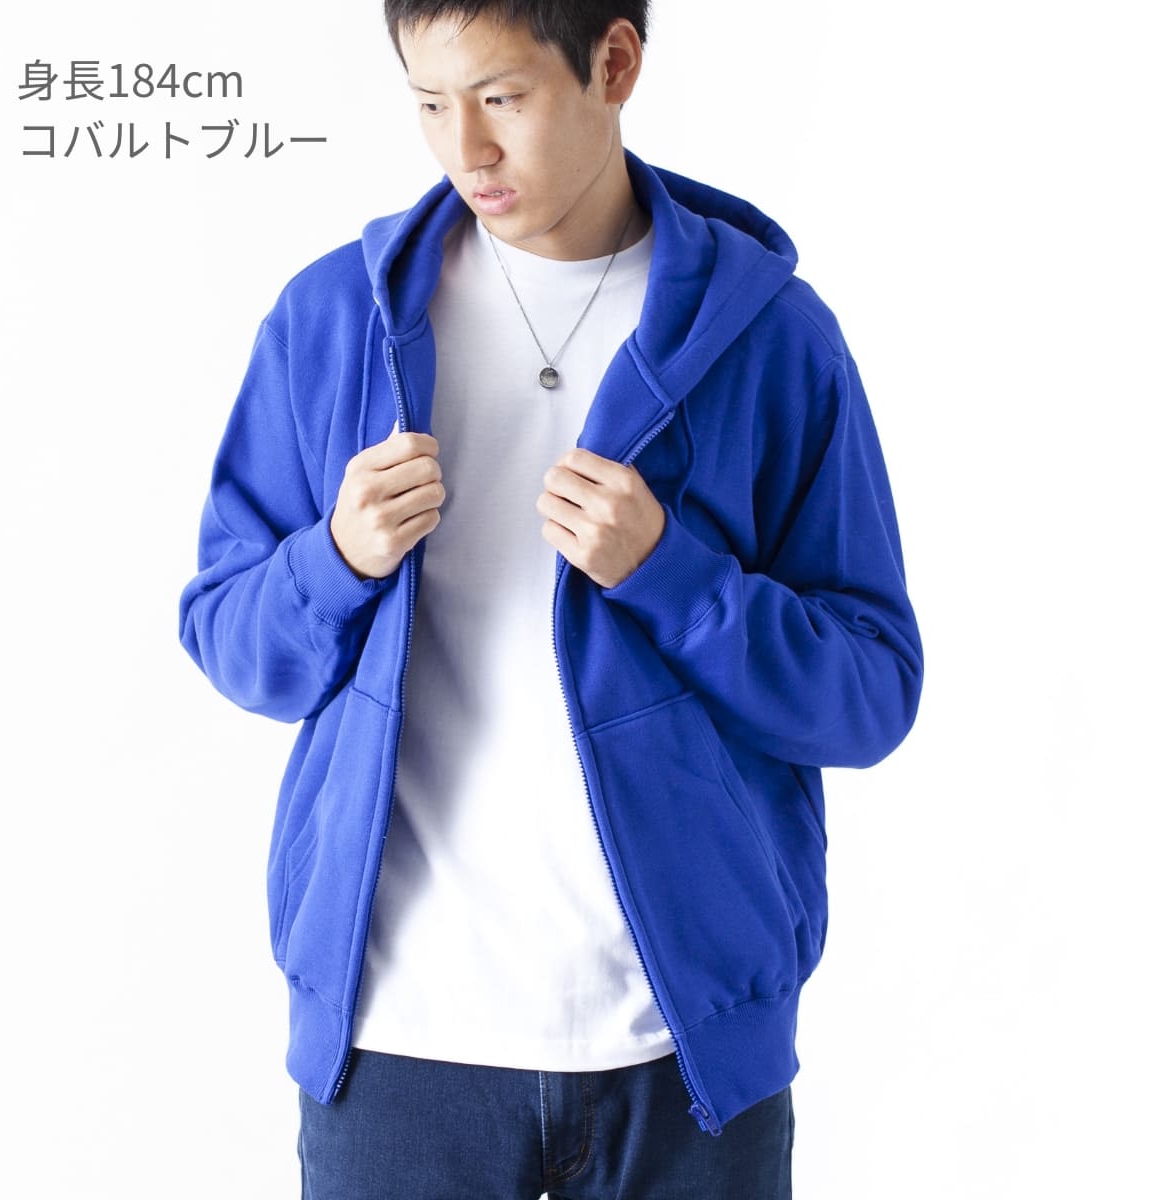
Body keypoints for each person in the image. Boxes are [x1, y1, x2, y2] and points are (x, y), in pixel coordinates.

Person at [178, 1, 923, 1195]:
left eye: (502, 98)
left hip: (683, 1054)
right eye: (430, 104)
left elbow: (869, 692)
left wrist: (673, 576)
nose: (464, 148)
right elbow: (227, 637)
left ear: (614, 63)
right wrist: (336, 559)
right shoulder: (333, 322)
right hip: (396, 1044)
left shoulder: (773, 341)